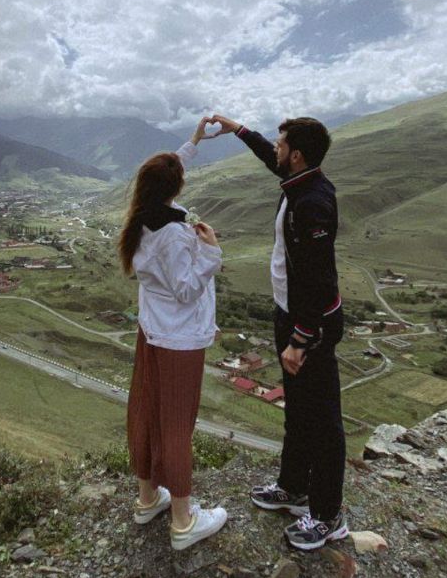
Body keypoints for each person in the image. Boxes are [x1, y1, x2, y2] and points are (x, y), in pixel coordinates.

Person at [209, 112, 348, 552]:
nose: (276, 150)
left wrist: (302, 338)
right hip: (290, 314)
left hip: (312, 325)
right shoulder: (299, 182)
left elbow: (320, 280)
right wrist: (239, 130)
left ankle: (328, 517)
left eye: (281, 144)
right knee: (298, 410)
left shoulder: (313, 204)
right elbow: (271, 159)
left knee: (323, 420)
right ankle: (293, 489)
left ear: (298, 155)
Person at [119, 117, 228, 552]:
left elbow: (164, 173)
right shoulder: (175, 234)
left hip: (152, 331)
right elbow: (186, 288)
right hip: (179, 339)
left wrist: (194, 142)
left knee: (147, 409)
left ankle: (148, 498)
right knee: (178, 424)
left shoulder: (142, 217)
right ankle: (183, 521)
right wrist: (211, 251)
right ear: (177, 189)